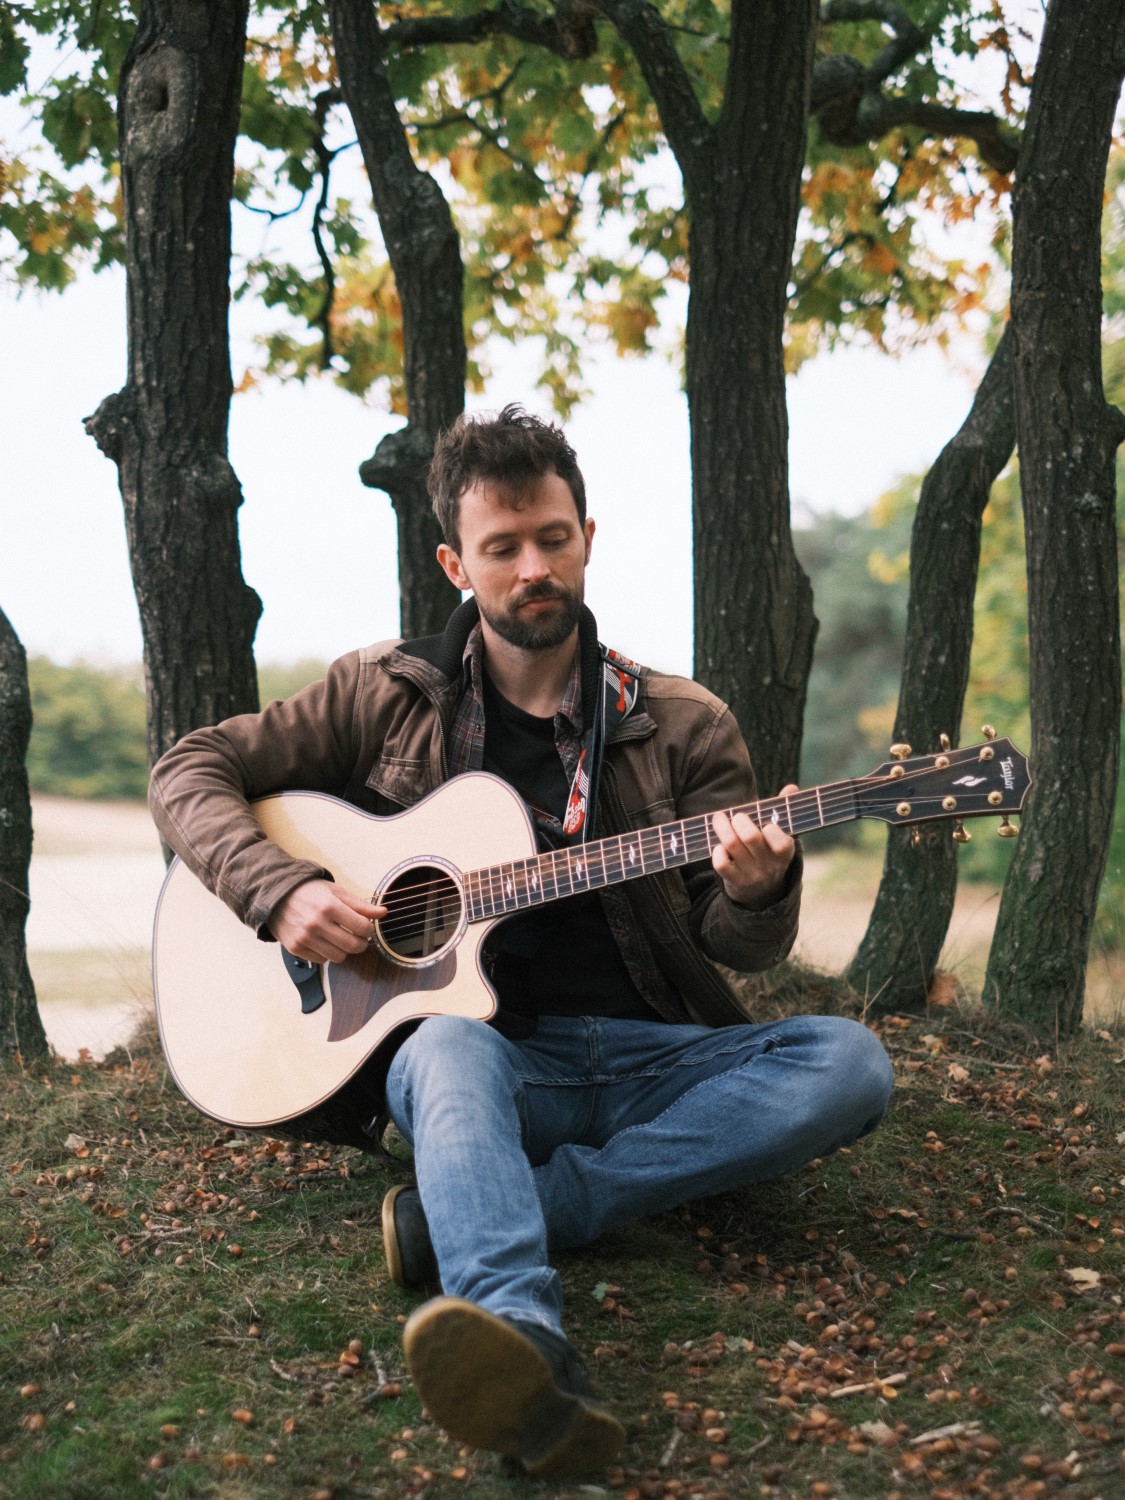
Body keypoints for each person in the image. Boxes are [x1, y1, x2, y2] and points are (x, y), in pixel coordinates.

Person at [149, 405, 894, 1480]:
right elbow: (190, 770)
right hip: (483, 1067)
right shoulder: (386, 690)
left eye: (552, 537)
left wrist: (761, 887)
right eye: (503, 548)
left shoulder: (683, 724)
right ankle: (525, 1348)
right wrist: (279, 893)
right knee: (445, 1044)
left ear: (589, 535)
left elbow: (739, 950)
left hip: (651, 1060)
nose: (533, 566)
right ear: (460, 561)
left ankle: (503, 1207)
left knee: (849, 1064)